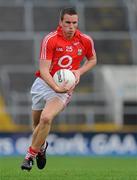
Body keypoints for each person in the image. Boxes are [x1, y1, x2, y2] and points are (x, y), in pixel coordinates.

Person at [21, 7, 97, 171]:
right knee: (36, 125)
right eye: (67, 22)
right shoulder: (50, 39)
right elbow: (43, 69)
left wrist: (79, 71)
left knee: (46, 118)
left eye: (74, 23)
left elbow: (92, 59)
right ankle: (42, 146)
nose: (71, 26)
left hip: (64, 88)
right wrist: (55, 86)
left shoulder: (85, 40)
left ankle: (29, 156)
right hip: (43, 83)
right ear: (60, 22)